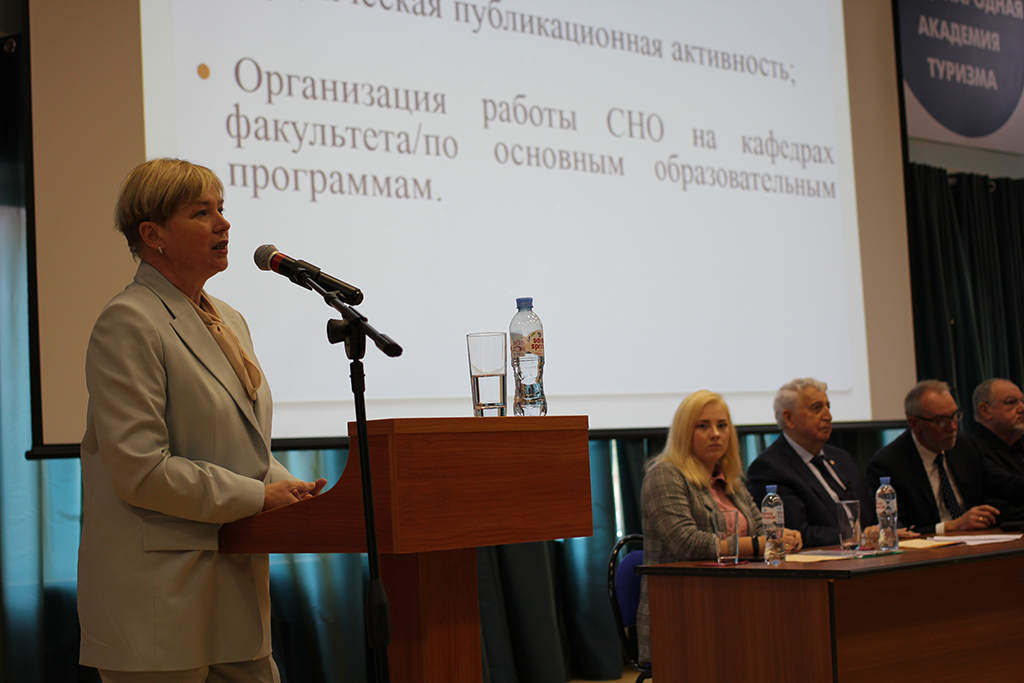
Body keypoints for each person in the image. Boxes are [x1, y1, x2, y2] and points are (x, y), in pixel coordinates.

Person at [78, 158, 327, 682]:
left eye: (221, 208)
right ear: (153, 235)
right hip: (159, 605)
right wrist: (259, 496)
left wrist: (286, 486)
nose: (223, 223)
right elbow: (141, 470)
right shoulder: (129, 321)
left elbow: (240, 445)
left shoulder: (228, 319)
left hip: (234, 592)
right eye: (201, 212)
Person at [636, 390, 802, 664]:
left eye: (722, 425)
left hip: (736, 600)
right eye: (703, 426)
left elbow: (761, 530)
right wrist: (762, 544)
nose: (715, 434)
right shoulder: (664, 475)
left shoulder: (729, 480)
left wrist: (780, 537)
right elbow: (687, 543)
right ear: (683, 432)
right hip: (681, 610)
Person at [865, 379, 1024, 534]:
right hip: (927, 546)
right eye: (941, 421)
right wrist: (949, 526)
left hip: (973, 540)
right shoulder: (889, 464)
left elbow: (1005, 484)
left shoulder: (964, 445)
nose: (953, 427)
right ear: (915, 424)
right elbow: (894, 528)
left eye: (955, 415)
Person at [746, 378, 876, 548]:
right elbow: (799, 532)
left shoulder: (843, 458)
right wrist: (859, 537)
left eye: (828, 406)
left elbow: (873, 511)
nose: (828, 416)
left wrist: (884, 529)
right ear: (789, 418)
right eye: (817, 408)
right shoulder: (770, 468)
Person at [970, 378, 1024, 521]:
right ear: (985, 410)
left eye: (1022, 401)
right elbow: (999, 510)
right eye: (1011, 402)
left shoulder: (1019, 444)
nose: (1022, 408)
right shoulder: (973, 451)